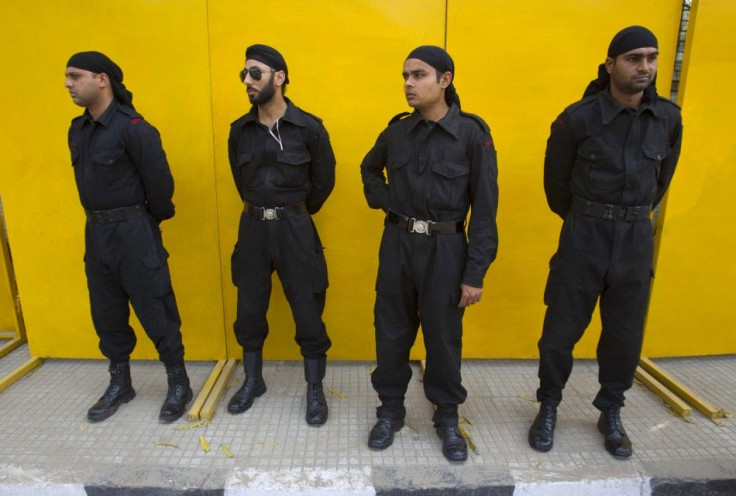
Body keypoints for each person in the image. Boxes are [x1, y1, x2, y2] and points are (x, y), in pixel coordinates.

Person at [528, 26, 683, 459]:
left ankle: (610, 410)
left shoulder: (668, 118)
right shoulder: (577, 118)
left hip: (635, 239)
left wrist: (629, 217)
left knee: (624, 334)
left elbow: (661, 179)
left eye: (651, 58)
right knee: (560, 331)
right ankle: (549, 406)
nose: (646, 67)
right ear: (611, 64)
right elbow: (555, 185)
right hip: (584, 235)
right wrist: (588, 218)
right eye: (634, 58)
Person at [361, 46, 499, 462]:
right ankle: (390, 410)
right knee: (391, 330)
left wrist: (475, 273)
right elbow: (369, 168)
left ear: (445, 79)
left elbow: (486, 210)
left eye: (419, 75)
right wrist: (386, 201)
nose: (408, 83)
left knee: (442, 336)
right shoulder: (397, 132)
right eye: (405, 75)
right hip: (398, 244)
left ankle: (448, 417)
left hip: (446, 249)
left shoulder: (472, 135)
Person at [65, 51, 192, 423]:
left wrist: (143, 223)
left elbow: (161, 186)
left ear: (102, 80)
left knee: (156, 308)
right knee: (106, 312)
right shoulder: (78, 130)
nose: (68, 83)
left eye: (75, 76)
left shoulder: (133, 128)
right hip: (97, 232)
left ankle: (179, 382)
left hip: (134, 231)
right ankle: (120, 382)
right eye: (67, 77)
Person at [227, 44, 336, 426]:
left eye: (255, 73)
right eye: (243, 74)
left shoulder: (310, 129)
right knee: (249, 308)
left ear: (279, 77)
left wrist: (293, 213)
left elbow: (323, 184)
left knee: (308, 309)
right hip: (254, 227)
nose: (247, 81)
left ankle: (315, 389)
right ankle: (253, 381)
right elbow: (242, 183)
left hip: (295, 229)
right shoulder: (239, 132)